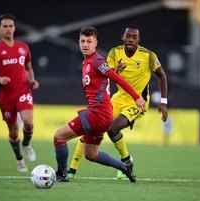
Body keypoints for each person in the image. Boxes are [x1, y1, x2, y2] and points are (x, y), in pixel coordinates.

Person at [68, 26, 168, 179]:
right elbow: (106, 74)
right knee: (91, 127)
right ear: (123, 37)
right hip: (117, 98)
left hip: (137, 102)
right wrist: (116, 71)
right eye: (128, 36)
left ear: (138, 40)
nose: (130, 40)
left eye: (134, 37)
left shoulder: (148, 56)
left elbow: (162, 76)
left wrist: (163, 102)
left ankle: (126, 162)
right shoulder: (115, 53)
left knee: (112, 129)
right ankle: (72, 169)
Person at [53, 26, 146, 183]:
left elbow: (118, 79)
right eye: (82, 41)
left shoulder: (96, 60)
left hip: (97, 114)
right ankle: (124, 167)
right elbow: (105, 78)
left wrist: (137, 97)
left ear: (95, 43)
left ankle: (62, 174)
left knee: (59, 137)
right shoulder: (88, 62)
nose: (85, 44)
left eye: (89, 41)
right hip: (103, 117)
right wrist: (115, 69)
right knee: (91, 154)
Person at [0, 14, 39, 172]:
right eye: (5, 26)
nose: (8, 29)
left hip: (23, 90)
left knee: (28, 122)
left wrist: (32, 81)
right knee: (13, 132)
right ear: (1, 28)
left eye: (10, 26)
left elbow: (28, 68)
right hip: (6, 96)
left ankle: (27, 144)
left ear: (14, 28)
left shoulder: (23, 47)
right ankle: (19, 159)